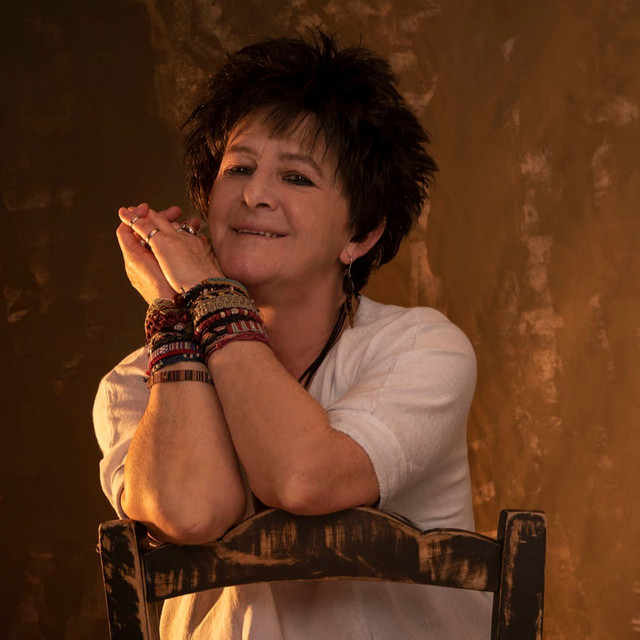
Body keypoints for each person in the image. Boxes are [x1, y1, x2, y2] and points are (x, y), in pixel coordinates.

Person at [94, 30, 491, 639]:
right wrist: (174, 313)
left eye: (297, 178)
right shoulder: (136, 382)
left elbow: (303, 478)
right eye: (239, 168)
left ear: (360, 234)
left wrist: (208, 293)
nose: (255, 195)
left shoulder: (419, 349)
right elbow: (192, 512)